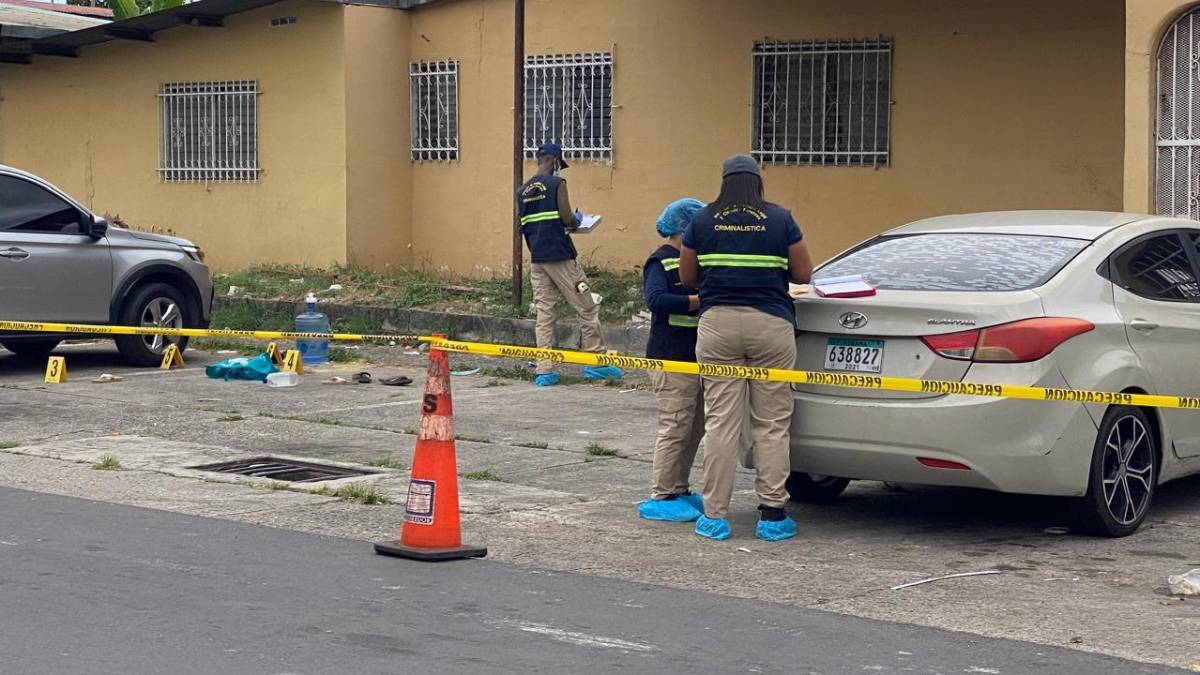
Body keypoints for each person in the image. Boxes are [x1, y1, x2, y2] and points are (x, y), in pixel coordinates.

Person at [678, 155, 813, 542]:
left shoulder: (701, 220)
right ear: (757, 181)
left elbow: (687, 276)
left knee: (721, 423)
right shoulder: (780, 219)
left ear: (724, 181)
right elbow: (803, 273)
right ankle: (772, 514)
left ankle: (715, 516)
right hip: (770, 325)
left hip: (717, 325)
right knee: (771, 424)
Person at [517, 143, 622, 387]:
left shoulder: (522, 191)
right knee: (586, 306)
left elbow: (524, 225)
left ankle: (544, 370)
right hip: (561, 256)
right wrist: (577, 220)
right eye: (559, 165)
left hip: (538, 259)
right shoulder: (557, 184)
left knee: (544, 313)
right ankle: (596, 362)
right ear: (554, 161)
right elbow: (566, 217)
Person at [637, 198, 707, 522]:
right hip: (670, 358)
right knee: (675, 426)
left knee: (695, 427)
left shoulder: (699, 262)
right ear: (684, 229)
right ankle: (662, 493)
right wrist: (696, 301)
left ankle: (680, 487)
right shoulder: (661, 260)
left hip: (699, 356)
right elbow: (656, 300)